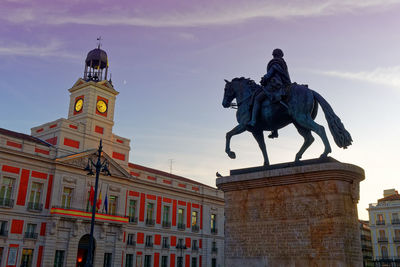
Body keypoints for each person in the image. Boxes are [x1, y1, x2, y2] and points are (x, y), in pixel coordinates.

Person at [247, 48, 291, 138]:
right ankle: (274, 130)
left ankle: (253, 121)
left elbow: (271, 73)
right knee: (273, 106)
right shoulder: (282, 62)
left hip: (274, 85)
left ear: (275, 54)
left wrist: (264, 78)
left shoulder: (275, 62)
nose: (273, 56)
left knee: (257, 99)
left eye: (273, 54)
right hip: (281, 85)